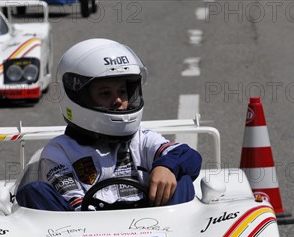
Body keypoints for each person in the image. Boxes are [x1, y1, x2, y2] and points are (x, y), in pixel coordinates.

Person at [16, 38, 202, 211]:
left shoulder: (141, 138)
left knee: (181, 179)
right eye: (106, 94)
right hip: (87, 231)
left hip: (153, 226)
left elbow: (190, 156)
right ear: (77, 96)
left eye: (123, 91)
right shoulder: (59, 151)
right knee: (33, 192)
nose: (119, 100)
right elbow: (74, 206)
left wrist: (167, 167)